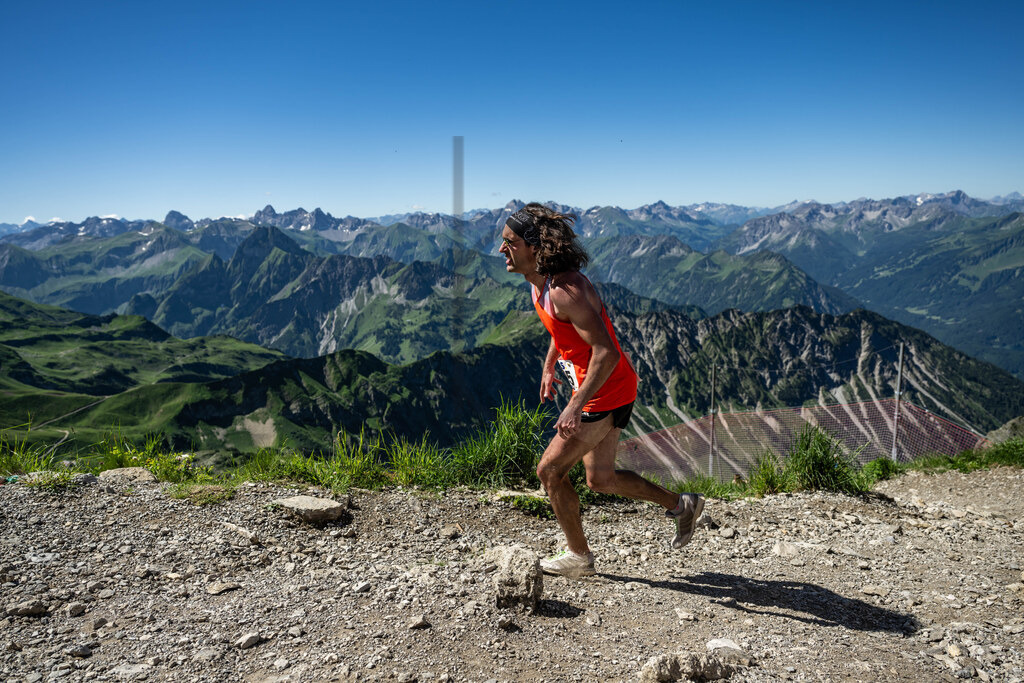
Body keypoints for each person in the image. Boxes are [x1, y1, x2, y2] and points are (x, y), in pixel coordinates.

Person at [498, 203, 705, 577]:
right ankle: (682, 505)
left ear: (533, 246)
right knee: (601, 479)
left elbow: (606, 352)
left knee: (549, 471)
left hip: (603, 392)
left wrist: (575, 406)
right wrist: (550, 364)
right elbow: (563, 333)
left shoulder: (565, 290)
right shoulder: (540, 284)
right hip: (614, 388)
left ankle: (578, 556)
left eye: (510, 242)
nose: (502, 250)